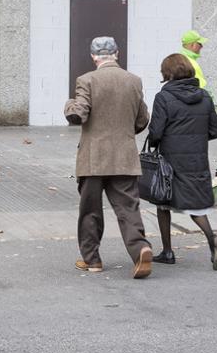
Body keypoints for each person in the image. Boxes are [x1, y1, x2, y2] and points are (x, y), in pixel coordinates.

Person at [64, 36, 156, 280]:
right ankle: (140, 249)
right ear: (117, 53)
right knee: (128, 209)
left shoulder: (86, 80)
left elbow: (79, 114)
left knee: (90, 211)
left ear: (94, 57)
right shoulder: (133, 81)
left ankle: (92, 260)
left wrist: (69, 106)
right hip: (124, 157)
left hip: (93, 159)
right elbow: (142, 120)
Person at [146, 53, 217, 270]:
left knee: (163, 202)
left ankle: (168, 251)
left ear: (167, 73)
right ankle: (211, 238)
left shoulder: (163, 97)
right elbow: (215, 130)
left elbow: (156, 133)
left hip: (171, 159)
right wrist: (196, 138)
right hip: (197, 159)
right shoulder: (205, 96)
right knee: (195, 206)